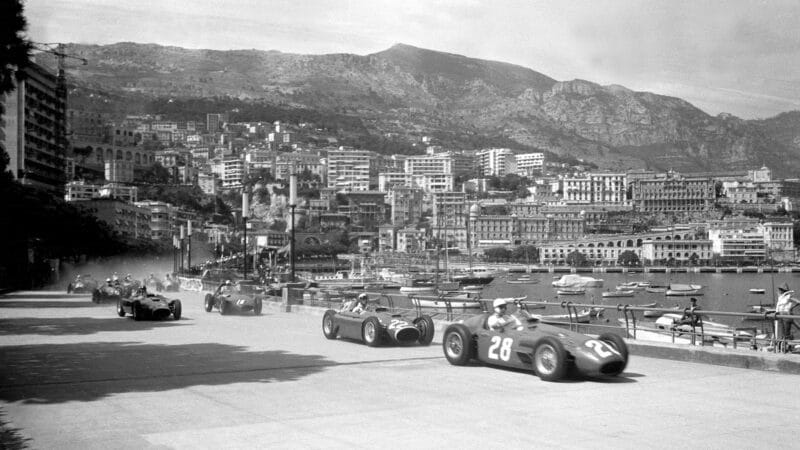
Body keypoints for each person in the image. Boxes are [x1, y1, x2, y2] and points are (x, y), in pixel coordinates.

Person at [775, 283, 800, 350]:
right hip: (782, 316)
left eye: (779, 290)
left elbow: (798, 302)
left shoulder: (788, 297)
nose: (777, 291)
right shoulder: (782, 297)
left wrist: (791, 308)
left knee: (786, 333)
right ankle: (785, 347)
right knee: (784, 333)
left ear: (781, 290)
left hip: (785, 316)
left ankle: (787, 347)